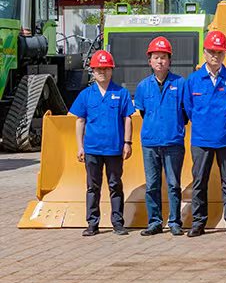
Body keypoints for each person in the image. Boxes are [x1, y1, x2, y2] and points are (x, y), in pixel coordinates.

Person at [182, 30, 226, 237]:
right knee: (200, 182)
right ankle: (198, 222)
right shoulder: (193, 80)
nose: (215, 56)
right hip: (201, 140)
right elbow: (189, 108)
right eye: (211, 51)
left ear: (224, 53)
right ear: (204, 53)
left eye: (219, 52)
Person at [72, 50, 135, 237]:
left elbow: (127, 118)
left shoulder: (121, 93)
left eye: (106, 68)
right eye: (98, 69)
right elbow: (80, 121)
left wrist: (127, 143)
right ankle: (92, 224)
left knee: (115, 185)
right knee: (93, 187)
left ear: (112, 70)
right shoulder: (86, 95)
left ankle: (118, 223)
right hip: (92, 149)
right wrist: (80, 146)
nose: (102, 72)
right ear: (93, 71)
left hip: (114, 149)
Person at [134, 36, 186, 236]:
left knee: (173, 184)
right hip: (150, 143)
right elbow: (143, 112)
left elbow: (185, 112)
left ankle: (174, 221)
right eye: (156, 57)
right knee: (152, 185)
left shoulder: (180, 84)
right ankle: (154, 222)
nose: (160, 61)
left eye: (163, 57)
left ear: (169, 60)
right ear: (150, 61)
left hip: (173, 142)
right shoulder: (143, 86)